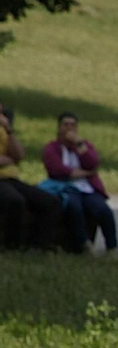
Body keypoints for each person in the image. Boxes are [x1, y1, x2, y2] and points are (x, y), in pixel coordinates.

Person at [43, 112, 117, 253]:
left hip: (87, 187)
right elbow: (59, 170)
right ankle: (83, 243)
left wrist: (79, 145)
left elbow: (92, 163)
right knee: (74, 207)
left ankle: (112, 247)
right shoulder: (52, 148)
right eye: (66, 125)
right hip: (66, 187)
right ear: (59, 128)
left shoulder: (84, 145)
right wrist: (85, 172)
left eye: (73, 125)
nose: (69, 129)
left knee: (103, 210)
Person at [0, 103, 61, 250]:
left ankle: (38, 246)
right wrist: (7, 159)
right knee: (15, 201)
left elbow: (19, 155)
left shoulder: (4, 130)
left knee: (50, 202)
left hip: (10, 179)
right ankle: (12, 246)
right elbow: (10, 159)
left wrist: (9, 129)